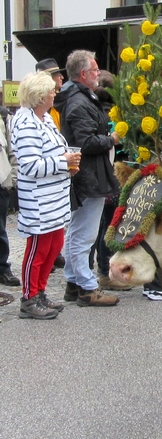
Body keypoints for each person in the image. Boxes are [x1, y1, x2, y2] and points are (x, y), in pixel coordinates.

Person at [10, 72, 81, 319]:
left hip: (55, 197)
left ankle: (39, 292)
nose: (55, 93)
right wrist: (63, 162)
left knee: (54, 247)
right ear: (40, 95)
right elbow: (29, 166)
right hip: (40, 200)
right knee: (37, 250)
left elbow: (54, 154)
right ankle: (29, 299)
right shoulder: (26, 123)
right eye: (51, 90)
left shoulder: (46, 119)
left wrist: (68, 164)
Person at [57, 50, 123, 307]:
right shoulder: (79, 101)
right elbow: (85, 142)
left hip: (87, 173)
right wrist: (112, 139)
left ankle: (74, 282)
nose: (98, 73)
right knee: (84, 234)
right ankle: (86, 287)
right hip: (89, 175)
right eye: (95, 70)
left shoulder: (79, 96)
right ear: (83, 74)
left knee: (78, 232)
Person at [35, 58, 67, 270]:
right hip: (44, 185)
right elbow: (31, 163)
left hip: (60, 175)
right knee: (40, 245)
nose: (61, 78)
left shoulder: (58, 106)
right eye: (56, 75)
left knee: (58, 233)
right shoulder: (35, 115)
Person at [0, 106, 20, 287]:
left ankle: (3, 269)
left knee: (1, 230)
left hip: (1, 183)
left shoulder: (3, 117)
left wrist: (11, 180)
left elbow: (11, 151)